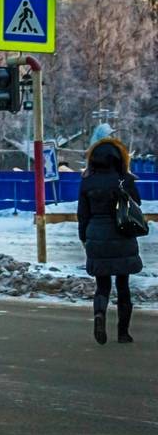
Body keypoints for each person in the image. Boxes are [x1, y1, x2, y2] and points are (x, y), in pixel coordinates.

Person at [78, 135, 143, 345]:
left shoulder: (87, 182)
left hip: (96, 233)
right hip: (122, 233)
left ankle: (99, 315)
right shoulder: (125, 179)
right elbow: (136, 204)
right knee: (123, 284)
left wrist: (85, 238)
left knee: (102, 284)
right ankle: (123, 333)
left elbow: (82, 214)